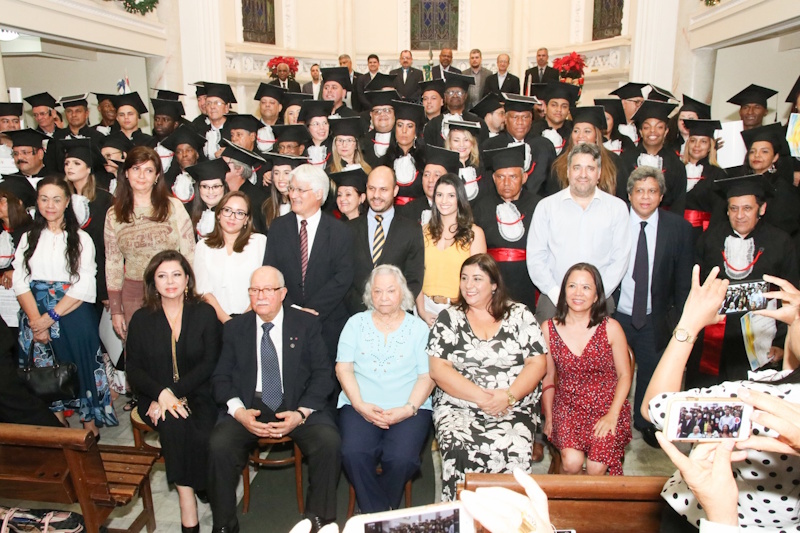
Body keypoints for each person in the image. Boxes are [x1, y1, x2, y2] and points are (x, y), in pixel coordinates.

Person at [642, 265, 800, 532]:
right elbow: (789, 376)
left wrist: (689, 323)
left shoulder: (747, 400)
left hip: (700, 517)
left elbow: (655, 407)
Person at [208, 266, 341, 533]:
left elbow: (323, 374)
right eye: (254, 290)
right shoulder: (235, 328)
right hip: (250, 405)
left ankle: (318, 518)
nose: (260, 296)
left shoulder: (306, 324)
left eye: (268, 289)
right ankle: (224, 524)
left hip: (297, 403)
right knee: (218, 446)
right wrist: (239, 412)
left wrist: (301, 413)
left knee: (329, 442)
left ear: (283, 293)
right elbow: (220, 377)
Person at [428, 254, 547, 500]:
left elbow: (537, 363)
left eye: (477, 279)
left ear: (494, 284)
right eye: (464, 278)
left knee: (514, 448)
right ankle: (460, 515)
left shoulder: (520, 315)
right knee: (457, 448)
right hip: (459, 408)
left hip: (512, 406)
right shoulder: (449, 318)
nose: (468, 285)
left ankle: (509, 516)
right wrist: (483, 398)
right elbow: (438, 369)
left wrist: (508, 396)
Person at [125, 250, 221, 533]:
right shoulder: (142, 319)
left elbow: (209, 363)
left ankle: (204, 485)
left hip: (198, 391)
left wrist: (172, 392)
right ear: (153, 282)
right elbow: (134, 370)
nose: (170, 282)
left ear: (187, 278)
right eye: (162, 276)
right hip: (153, 395)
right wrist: (160, 395)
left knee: (205, 434)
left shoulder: (204, 313)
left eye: (177, 274)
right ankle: (187, 503)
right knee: (175, 424)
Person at [13, 175, 117, 435]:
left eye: (56, 199)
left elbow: (84, 286)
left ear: (67, 202)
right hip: (33, 314)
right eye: (44, 199)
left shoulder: (81, 239)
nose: (50, 205)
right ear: (37, 202)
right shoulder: (28, 238)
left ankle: (89, 430)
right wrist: (36, 322)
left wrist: (49, 318)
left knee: (81, 370)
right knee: (45, 374)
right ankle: (57, 426)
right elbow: (20, 281)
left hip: (72, 314)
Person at [336, 264, 434, 513]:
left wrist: (407, 409)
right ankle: (382, 515)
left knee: (402, 458)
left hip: (409, 407)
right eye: (377, 291)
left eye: (391, 291)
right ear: (370, 294)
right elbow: (343, 368)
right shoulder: (354, 324)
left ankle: (371, 512)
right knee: (353, 453)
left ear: (403, 293)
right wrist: (360, 405)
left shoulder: (419, 329)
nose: (384, 297)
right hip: (359, 405)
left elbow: (427, 376)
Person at [689, 174, 798, 388]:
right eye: (734, 208)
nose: (740, 215)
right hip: (714, 340)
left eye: (747, 208)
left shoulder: (781, 242)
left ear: (762, 209)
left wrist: (781, 343)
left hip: (761, 342)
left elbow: (790, 297)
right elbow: (695, 290)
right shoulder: (710, 239)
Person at [612, 166, 692, 448]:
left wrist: (680, 321)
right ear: (629, 194)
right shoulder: (614, 223)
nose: (645, 197)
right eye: (639, 191)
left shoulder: (679, 228)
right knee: (613, 372)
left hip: (655, 316)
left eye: (652, 191)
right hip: (617, 314)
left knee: (651, 370)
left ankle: (645, 422)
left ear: (661, 196)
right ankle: (613, 421)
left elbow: (683, 280)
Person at [541, 263, 632, 475]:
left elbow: (625, 375)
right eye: (572, 286)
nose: (578, 293)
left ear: (596, 295)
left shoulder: (611, 328)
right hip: (567, 406)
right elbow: (549, 377)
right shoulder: (548, 328)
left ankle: (594, 494)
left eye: (586, 287)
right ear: (564, 291)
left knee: (596, 467)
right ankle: (571, 494)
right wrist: (550, 417)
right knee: (571, 463)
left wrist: (612, 414)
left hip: (607, 406)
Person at [526, 143, 631, 324]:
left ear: (599, 173)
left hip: (600, 298)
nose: (583, 174)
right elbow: (536, 258)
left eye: (590, 168)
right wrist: (557, 295)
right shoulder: (546, 207)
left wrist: (596, 295)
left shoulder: (617, 208)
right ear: (568, 172)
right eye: (577, 168)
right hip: (554, 298)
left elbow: (620, 259)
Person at [104, 146, 195, 347]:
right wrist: (116, 310)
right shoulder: (113, 214)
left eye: (148, 170)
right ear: (126, 173)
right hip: (134, 293)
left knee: (175, 349)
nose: (141, 176)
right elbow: (113, 263)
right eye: (136, 169)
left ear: (157, 176)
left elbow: (189, 253)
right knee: (139, 352)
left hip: (173, 291)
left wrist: (189, 292)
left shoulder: (174, 207)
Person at [263, 164, 354, 360]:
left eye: (300, 190)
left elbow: (343, 277)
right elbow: (270, 272)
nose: (293, 195)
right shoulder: (278, 228)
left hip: (328, 324)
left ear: (319, 193)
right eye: (291, 189)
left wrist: (313, 310)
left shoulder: (340, 231)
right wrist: (293, 308)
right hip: (287, 320)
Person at [345, 165, 424, 315]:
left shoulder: (411, 230)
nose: (376, 195)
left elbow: (414, 279)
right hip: (354, 315)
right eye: (372, 189)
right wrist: (358, 308)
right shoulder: (348, 229)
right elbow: (342, 275)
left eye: (383, 190)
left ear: (395, 191)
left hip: (396, 316)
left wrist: (392, 309)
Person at [472, 144, 539, 312]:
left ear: (524, 177)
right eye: (500, 177)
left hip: (528, 279)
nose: (506, 183)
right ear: (493, 178)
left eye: (513, 177)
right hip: (493, 280)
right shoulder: (481, 206)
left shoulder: (539, 205)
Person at [416, 174, 486, 326]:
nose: (444, 201)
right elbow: (416, 274)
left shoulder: (474, 234)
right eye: (439, 195)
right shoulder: (423, 231)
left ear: (460, 198)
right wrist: (421, 311)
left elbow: (479, 279)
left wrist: (464, 311)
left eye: (451, 195)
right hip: (425, 308)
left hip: (460, 309)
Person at [59, 138, 114, 313]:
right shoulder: (60, 199)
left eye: (76, 163)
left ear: (88, 169)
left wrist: (105, 289)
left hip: (95, 276)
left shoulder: (104, 200)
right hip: (64, 275)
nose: (70, 167)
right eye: (67, 163)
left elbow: (106, 246)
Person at [194, 191, 266, 323]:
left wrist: (243, 321)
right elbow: (203, 290)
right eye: (227, 210)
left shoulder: (259, 242)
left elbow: (265, 285)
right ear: (218, 214)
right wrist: (228, 322)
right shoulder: (203, 246)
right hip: (215, 320)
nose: (232, 217)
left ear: (247, 219)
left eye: (240, 213)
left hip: (253, 319)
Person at [481, 93, 557, 196]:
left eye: (525, 117)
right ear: (505, 119)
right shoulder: (490, 146)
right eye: (515, 117)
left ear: (531, 119)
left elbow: (552, 185)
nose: (520, 122)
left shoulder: (544, 146)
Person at [619, 100, 687, 214]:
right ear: (641, 131)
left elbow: (679, 203)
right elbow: (620, 195)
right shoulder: (626, 159)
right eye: (647, 127)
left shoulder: (676, 163)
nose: (652, 131)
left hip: (665, 220)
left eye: (659, 127)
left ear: (666, 131)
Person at [546, 105, 623, 198]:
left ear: (596, 136)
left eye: (587, 131)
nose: (580, 136)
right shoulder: (559, 165)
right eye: (576, 131)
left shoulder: (613, 162)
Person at [679, 119, 727, 242]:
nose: (697, 145)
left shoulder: (717, 174)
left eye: (703, 141)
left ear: (710, 146)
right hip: (675, 231)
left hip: (702, 235)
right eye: (693, 140)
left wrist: (709, 239)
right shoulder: (676, 170)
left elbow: (719, 212)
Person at [384, 99, 426, 205]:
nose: (404, 130)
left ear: (416, 132)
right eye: (400, 125)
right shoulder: (383, 162)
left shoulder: (426, 161)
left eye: (410, 126)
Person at [444, 120, 487, 203]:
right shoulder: (443, 169)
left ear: (472, 143)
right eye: (456, 140)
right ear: (449, 143)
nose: (461, 145)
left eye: (466, 140)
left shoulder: (482, 168)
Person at [263, 152, 305, 230]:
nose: (280, 178)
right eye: (276, 173)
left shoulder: (304, 206)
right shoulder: (267, 207)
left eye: (286, 173)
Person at [0, 188, 32, 291]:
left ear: (19, 202)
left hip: (25, 287)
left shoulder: (32, 230)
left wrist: (16, 273)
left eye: (1, 201)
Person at [299, 100, 334, 167]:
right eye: (316, 124)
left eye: (325, 123)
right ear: (308, 127)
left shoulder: (336, 147)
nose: (322, 127)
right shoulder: (302, 149)